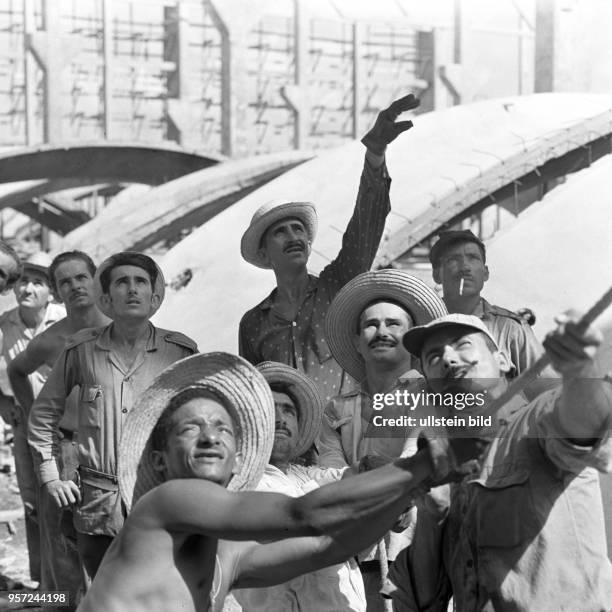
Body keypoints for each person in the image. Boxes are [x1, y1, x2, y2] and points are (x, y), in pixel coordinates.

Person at [77, 352, 476, 612]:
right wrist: (422, 465)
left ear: (237, 462)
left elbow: (329, 546)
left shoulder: (227, 557)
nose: (209, 437)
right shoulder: (167, 501)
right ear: (160, 463)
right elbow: (304, 515)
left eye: (222, 429)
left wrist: (410, 487)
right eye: (190, 429)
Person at [384, 312, 612, 611]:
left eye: (462, 344)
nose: (449, 360)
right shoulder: (446, 471)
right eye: (434, 357)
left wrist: (581, 371)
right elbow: (421, 602)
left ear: (503, 361)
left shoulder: (538, 418)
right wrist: (432, 517)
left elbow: (583, 423)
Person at [28, 251, 197, 584]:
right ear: (105, 296)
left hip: (160, 500)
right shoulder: (81, 350)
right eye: (122, 282)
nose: (132, 290)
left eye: (140, 282)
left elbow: (199, 420)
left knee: (159, 596)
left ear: (155, 295)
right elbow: (43, 415)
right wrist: (51, 477)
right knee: (106, 596)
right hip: (97, 506)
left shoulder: (179, 352)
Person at [239, 94, 420, 403]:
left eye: (298, 228)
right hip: (289, 445)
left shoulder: (338, 288)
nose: (293, 235)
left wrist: (375, 154)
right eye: (280, 232)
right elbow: (252, 397)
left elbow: (366, 226)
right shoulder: (254, 324)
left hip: (345, 439)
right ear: (265, 253)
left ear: (309, 243)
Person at [317, 269, 446, 610]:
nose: (382, 332)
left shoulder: (436, 398)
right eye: (371, 325)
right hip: (353, 560)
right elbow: (326, 475)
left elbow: (428, 460)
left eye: (394, 324)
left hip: (421, 557)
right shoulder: (335, 410)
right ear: (358, 341)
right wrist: (361, 482)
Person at [8, 250, 108, 606]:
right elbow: (17, 370)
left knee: (115, 537)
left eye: (82, 277)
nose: (75, 286)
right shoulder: (53, 339)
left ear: (96, 280)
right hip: (66, 449)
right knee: (64, 543)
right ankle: (63, 603)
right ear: (56, 291)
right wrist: (30, 409)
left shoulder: (122, 325)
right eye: (65, 281)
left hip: (115, 446)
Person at [233, 361, 366, 611]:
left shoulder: (310, 476)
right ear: (248, 421)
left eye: (288, 411)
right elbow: (301, 516)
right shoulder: (237, 481)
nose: (281, 419)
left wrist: (381, 471)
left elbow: (353, 479)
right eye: (269, 409)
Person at [0, 251, 65, 585]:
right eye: (23, 280)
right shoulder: (4, 324)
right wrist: (2, 404)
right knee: (31, 500)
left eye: (38, 282)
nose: (28, 288)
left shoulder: (65, 319)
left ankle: (72, 585)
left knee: (64, 496)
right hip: (25, 423)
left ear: (50, 292)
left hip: (66, 426)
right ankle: (43, 584)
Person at [428, 230, 549, 378]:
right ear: (437, 274)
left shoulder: (511, 329)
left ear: (485, 273)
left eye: (473, 258)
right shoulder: (423, 326)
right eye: (454, 259)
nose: (465, 267)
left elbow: (547, 389)